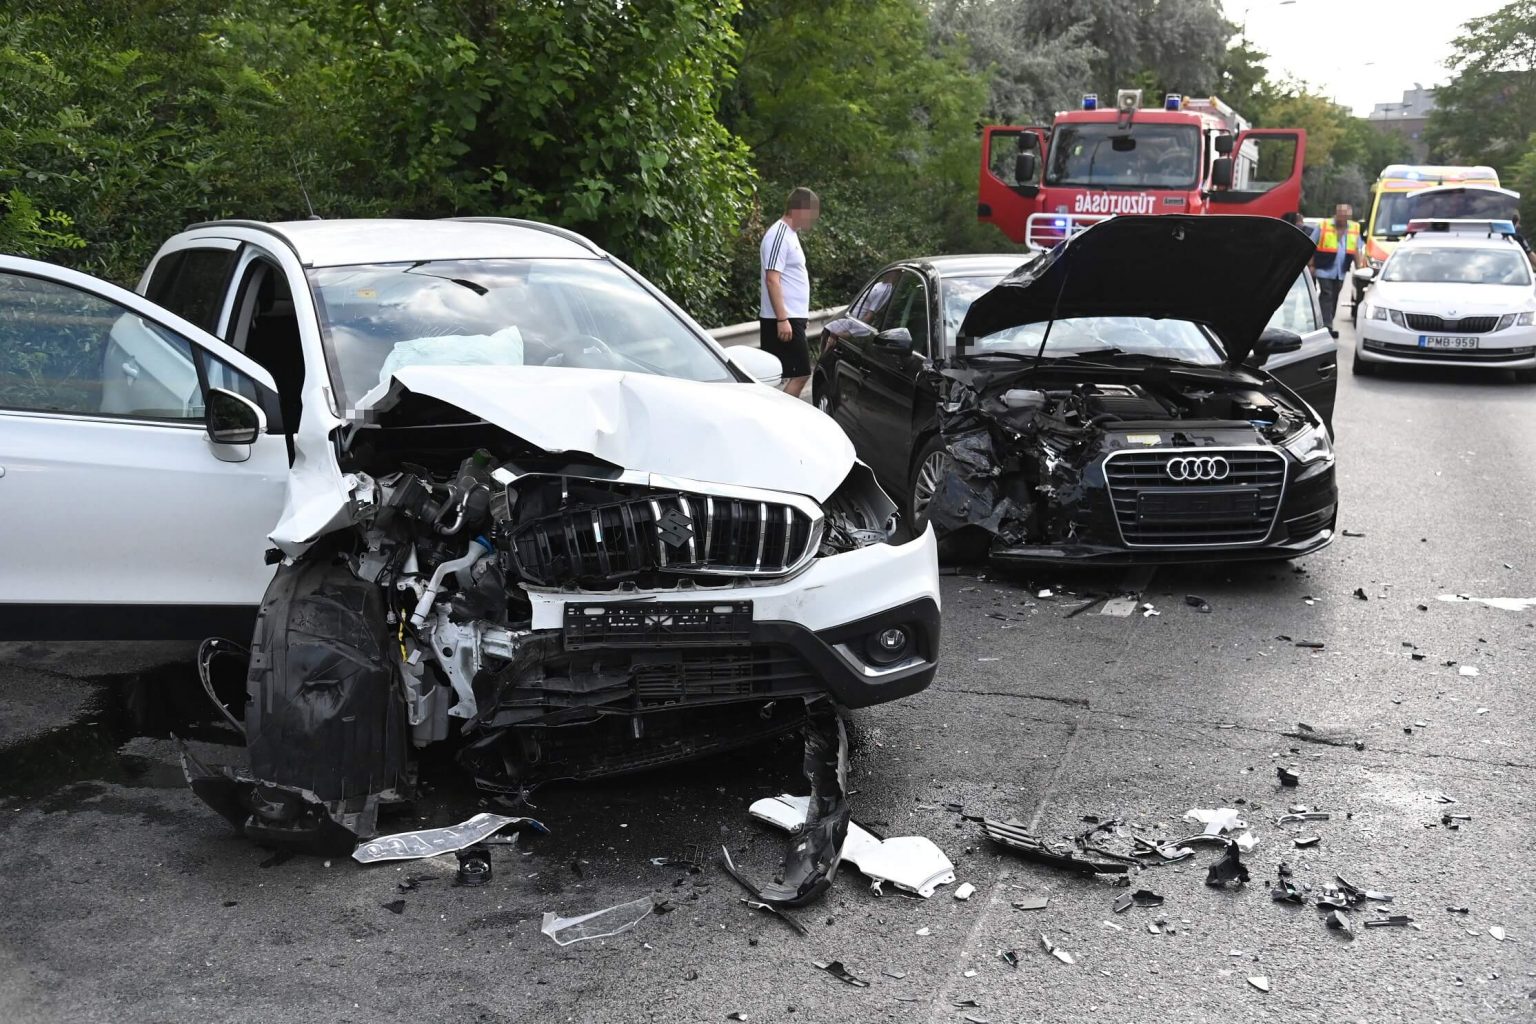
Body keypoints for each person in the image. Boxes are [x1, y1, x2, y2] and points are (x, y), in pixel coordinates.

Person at [760, 187, 821, 398]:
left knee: (795, 374)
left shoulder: (790, 235)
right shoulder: (778, 235)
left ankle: (777, 412)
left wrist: (800, 316)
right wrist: (783, 319)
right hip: (781, 318)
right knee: (800, 373)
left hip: (791, 317)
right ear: (799, 209)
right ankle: (778, 414)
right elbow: (772, 279)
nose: (814, 218)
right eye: (811, 212)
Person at [1309, 204, 1364, 338]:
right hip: (1324, 267)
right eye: (1340, 214)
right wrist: (1311, 265)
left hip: (1341, 270)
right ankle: (1326, 326)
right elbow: (1311, 244)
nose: (1342, 217)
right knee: (1326, 294)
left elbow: (1356, 249)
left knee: (1335, 297)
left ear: (1349, 216)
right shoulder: (1324, 225)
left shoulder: (1354, 228)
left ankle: (1329, 322)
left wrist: (1360, 268)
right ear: (1336, 213)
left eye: (1345, 215)